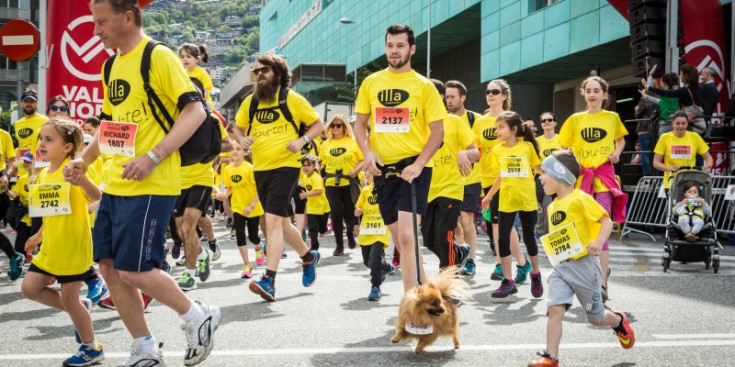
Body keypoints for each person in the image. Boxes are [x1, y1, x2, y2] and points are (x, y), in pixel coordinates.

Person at [64, 1, 220, 365]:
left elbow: (195, 111)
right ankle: (145, 347)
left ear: (128, 17)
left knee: (134, 268)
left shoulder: (158, 56)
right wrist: (82, 162)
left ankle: (198, 316)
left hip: (153, 183)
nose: (96, 30)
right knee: (109, 267)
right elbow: (110, 126)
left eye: (101, 22)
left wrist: (154, 156)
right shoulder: (111, 65)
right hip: (117, 184)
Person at [354, 24, 445, 292]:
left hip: (413, 170)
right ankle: (429, 291)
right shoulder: (371, 83)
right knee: (403, 240)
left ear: (412, 49)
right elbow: (359, 125)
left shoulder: (424, 86)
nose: (394, 51)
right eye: (390, 46)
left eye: (400, 46)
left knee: (406, 237)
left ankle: (410, 305)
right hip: (383, 171)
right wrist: (367, 154)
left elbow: (438, 132)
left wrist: (419, 165)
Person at [528, 150, 635, 367]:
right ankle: (551, 357)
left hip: (585, 267)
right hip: (562, 268)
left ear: (561, 174)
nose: (540, 177)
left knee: (596, 319)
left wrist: (597, 242)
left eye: (545, 173)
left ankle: (617, 320)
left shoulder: (581, 198)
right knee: (555, 309)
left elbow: (606, 222)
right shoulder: (552, 205)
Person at [233, 53, 324, 302]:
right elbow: (237, 127)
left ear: (279, 73)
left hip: (286, 167)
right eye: (257, 71)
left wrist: (302, 140)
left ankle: (269, 280)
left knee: (272, 222)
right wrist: (241, 139)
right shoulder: (251, 102)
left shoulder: (291, 99)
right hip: (260, 168)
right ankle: (308, 257)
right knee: (283, 224)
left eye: (265, 70)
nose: (259, 74)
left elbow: (318, 125)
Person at [21, 118, 105, 366]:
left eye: (49, 139)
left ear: (67, 147)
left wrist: (82, 181)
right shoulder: (44, 173)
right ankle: (82, 309)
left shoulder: (74, 169)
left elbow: (97, 196)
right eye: (41, 139)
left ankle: (92, 348)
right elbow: (52, 212)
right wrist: (38, 236)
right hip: (51, 245)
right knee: (29, 288)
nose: (42, 144)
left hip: (73, 244)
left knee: (70, 298)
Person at [559, 76, 628, 303]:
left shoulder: (612, 118)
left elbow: (620, 141)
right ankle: (582, 276)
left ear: (604, 95)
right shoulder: (575, 119)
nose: (592, 94)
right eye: (588, 90)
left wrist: (617, 151)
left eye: (597, 90)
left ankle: (603, 283)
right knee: (581, 228)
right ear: (584, 94)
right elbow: (563, 146)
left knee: (601, 226)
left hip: (604, 178)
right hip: (582, 179)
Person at [481, 111, 543, 298]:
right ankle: (507, 281)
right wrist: (489, 196)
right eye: (496, 128)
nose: (497, 131)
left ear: (514, 129)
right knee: (502, 239)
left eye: (501, 127)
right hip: (507, 199)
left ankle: (536, 273)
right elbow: (501, 175)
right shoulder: (497, 150)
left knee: (530, 238)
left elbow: (538, 169)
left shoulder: (527, 147)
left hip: (527, 199)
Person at [472, 79, 528, 283]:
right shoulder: (480, 122)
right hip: (485, 178)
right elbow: (475, 149)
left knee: (501, 222)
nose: (490, 94)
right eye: (488, 91)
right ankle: (514, 263)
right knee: (495, 224)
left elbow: (520, 149)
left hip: (507, 178)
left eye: (495, 91)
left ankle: (515, 263)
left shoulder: (512, 119)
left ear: (504, 96)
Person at [422, 79, 476, 270]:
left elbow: (476, 153)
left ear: (441, 97)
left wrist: (464, 153)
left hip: (450, 187)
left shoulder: (454, 121)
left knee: (444, 236)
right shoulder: (418, 124)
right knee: (428, 240)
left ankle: (449, 282)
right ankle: (459, 253)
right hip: (426, 189)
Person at [445, 80, 482, 276]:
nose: (448, 100)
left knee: (467, 220)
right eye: (447, 96)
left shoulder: (476, 119)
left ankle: (471, 260)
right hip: (448, 180)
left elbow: (479, 150)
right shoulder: (442, 120)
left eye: (452, 97)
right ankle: (461, 249)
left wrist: (464, 155)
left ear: (463, 98)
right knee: (452, 222)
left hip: (471, 178)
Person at [319, 114, 363, 255]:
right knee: (336, 214)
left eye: (339, 125)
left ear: (344, 127)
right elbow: (321, 163)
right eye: (333, 125)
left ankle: (350, 234)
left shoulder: (353, 142)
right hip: (332, 183)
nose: (336, 128)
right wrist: (316, 165)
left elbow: (363, 160)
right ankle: (339, 245)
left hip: (349, 182)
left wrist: (355, 171)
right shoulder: (325, 144)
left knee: (350, 213)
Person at [221, 140, 265, 278]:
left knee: (253, 236)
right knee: (240, 236)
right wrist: (224, 195)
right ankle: (247, 265)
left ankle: (259, 247)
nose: (235, 151)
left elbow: (259, 189)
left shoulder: (250, 168)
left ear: (245, 152)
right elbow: (229, 188)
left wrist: (251, 205)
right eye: (233, 149)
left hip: (253, 207)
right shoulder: (228, 169)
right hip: (238, 207)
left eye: (238, 149)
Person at [354, 173, 395, 301]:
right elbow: (357, 210)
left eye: (374, 173)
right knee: (367, 261)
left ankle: (375, 287)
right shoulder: (366, 190)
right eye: (369, 173)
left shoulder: (387, 189)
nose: (371, 175)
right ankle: (386, 267)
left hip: (381, 230)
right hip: (366, 230)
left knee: (373, 259)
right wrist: (359, 211)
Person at [653, 112, 713, 191]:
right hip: (671, 181)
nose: (680, 126)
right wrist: (670, 168)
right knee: (674, 204)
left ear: (687, 124)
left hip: (691, 183)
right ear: (672, 124)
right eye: (677, 123)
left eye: (683, 123)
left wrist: (708, 167)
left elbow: (708, 157)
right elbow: (656, 163)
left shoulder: (695, 136)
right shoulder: (664, 137)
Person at [642, 64, 705, 133]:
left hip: (686, 125)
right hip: (699, 123)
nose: (680, 76)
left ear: (686, 76)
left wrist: (649, 88)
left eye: (681, 73)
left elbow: (667, 93)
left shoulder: (684, 90)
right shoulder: (699, 89)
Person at [12, 88, 48, 178]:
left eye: (31, 101)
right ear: (21, 104)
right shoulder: (17, 124)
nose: (28, 104)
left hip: (39, 168)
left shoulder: (45, 120)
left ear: (36, 104)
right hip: (22, 169)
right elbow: (21, 145)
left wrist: (37, 169)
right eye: (26, 101)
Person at [536, 112, 560, 234]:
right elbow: (534, 161)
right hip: (541, 177)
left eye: (549, 120)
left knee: (558, 204)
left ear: (555, 123)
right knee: (543, 205)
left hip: (559, 178)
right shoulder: (537, 141)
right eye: (543, 121)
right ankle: (541, 230)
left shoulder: (562, 139)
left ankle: (556, 230)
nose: (546, 122)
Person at [300, 155, 331, 251]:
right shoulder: (305, 176)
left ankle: (323, 229)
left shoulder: (316, 177)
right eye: (303, 165)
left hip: (322, 207)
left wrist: (306, 195)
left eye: (308, 165)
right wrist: (295, 182)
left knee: (321, 229)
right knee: (313, 229)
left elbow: (319, 191)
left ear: (314, 166)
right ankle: (314, 247)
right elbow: (304, 184)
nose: (305, 167)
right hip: (311, 207)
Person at [640, 65, 679, 136]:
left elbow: (650, 86)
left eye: (661, 81)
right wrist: (647, 97)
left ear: (664, 83)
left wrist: (650, 74)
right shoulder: (675, 94)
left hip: (665, 125)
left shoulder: (665, 94)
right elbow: (660, 101)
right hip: (675, 124)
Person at [633, 96, 656, 176]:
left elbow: (638, 114)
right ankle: (655, 175)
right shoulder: (657, 98)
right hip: (655, 128)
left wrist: (636, 110)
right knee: (654, 153)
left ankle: (647, 176)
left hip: (644, 127)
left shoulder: (644, 98)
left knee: (645, 153)